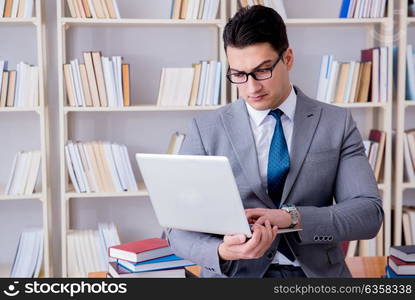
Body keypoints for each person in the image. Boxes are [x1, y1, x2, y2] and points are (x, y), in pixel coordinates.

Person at [167, 5, 383, 278]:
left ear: (288, 58)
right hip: (236, 275)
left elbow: (368, 214)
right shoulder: (206, 130)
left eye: (262, 70)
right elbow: (176, 230)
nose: (251, 87)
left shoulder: (335, 123)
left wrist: (293, 218)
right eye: (238, 75)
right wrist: (221, 250)